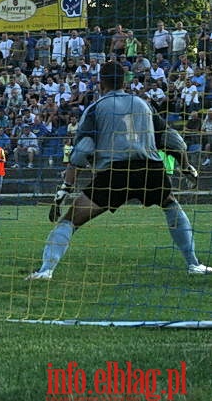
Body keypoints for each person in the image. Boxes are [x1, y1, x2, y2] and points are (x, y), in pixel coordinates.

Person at [27, 62, 210, 280]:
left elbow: (82, 150)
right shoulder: (143, 104)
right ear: (124, 81)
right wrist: (186, 166)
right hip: (149, 169)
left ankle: (46, 270)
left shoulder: (95, 108)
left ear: (100, 82)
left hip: (114, 173)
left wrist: (65, 189)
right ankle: (193, 264)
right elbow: (174, 141)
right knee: (171, 205)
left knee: (70, 220)